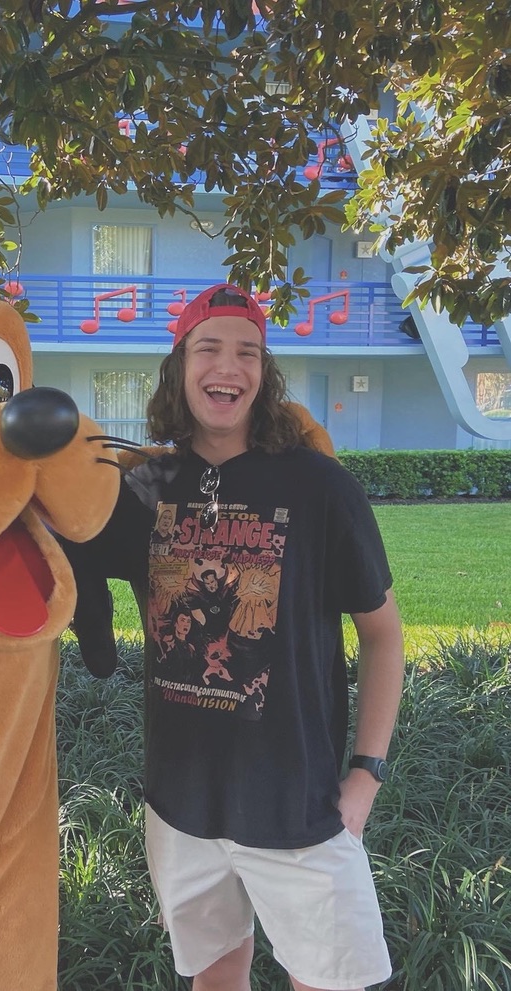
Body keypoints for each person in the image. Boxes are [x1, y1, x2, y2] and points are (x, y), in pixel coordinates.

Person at [62, 283, 405, 991]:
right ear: (179, 365)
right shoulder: (145, 488)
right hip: (181, 806)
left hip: (299, 808)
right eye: (209, 347)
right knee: (214, 977)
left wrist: (365, 774)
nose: (229, 366)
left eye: (247, 351)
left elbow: (383, 635)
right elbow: (53, 554)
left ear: (264, 372)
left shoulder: (320, 488)